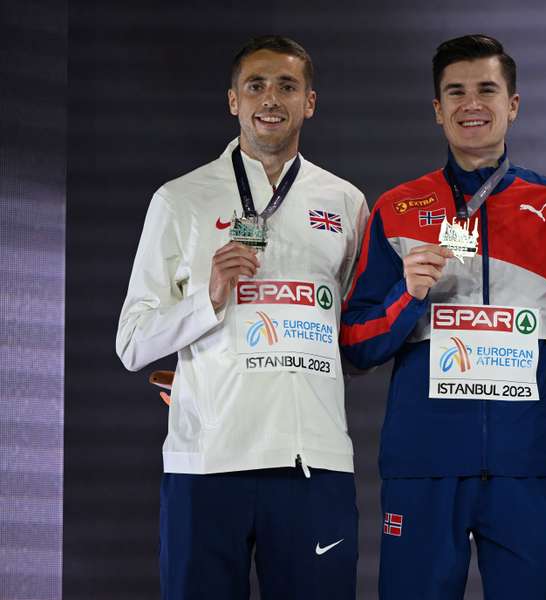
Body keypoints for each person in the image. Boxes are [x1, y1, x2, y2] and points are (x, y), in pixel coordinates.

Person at [339, 34, 546, 599]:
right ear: (437, 110)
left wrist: (525, 392)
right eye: (455, 92)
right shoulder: (396, 208)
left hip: (525, 465)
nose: (470, 103)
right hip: (424, 463)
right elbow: (356, 345)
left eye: (486, 89)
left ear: (514, 104)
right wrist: (407, 297)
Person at [115, 35, 368, 600]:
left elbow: (351, 332)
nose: (270, 99)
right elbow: (132, 342)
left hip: (314, 460)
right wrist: (207, 297)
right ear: (233, 101)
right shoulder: (180, 199)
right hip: (207, 462)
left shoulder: (346, 202)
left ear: (310, 103)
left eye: (287, 86)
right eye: (255, 85)